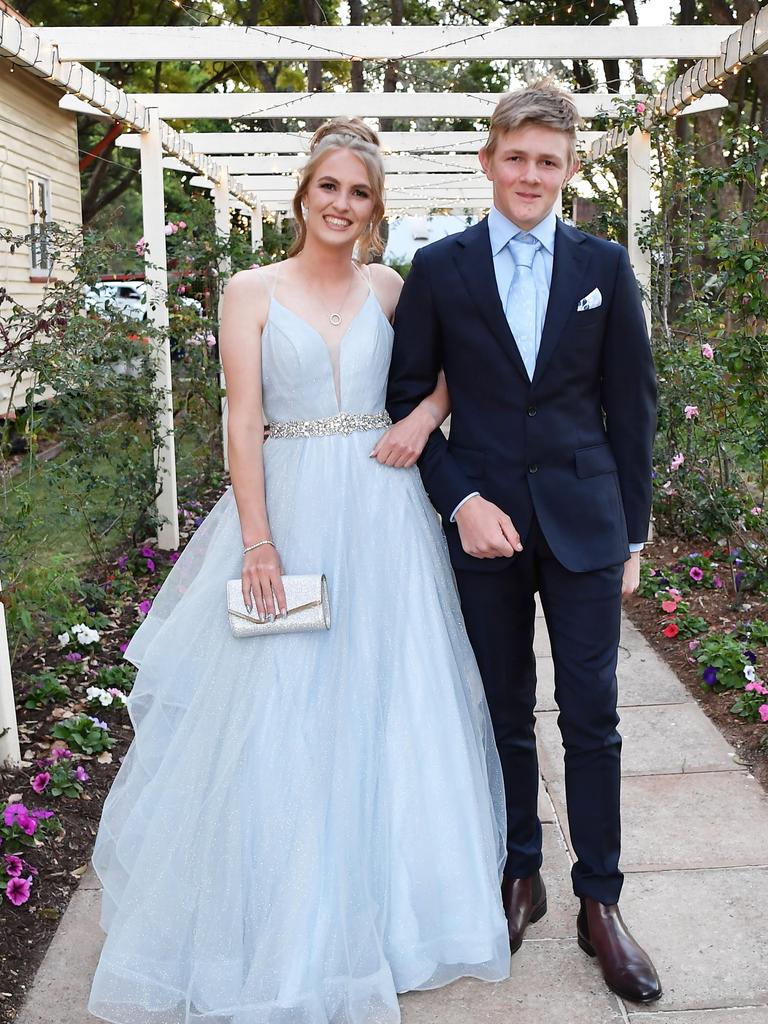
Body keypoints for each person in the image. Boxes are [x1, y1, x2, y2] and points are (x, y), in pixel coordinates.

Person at [87, 118, 510, 1024]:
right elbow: (243, 422)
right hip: (288, 508)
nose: (342, 206)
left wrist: (422, 419)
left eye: (359, 193)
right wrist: (258, 541)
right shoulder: (249, 289)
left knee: (391, 696)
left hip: (386, 509)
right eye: (330, 188)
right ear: (303, 193)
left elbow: (452, 374)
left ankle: (398, 916)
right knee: (282, 698)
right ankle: (283, 914)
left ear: (374, 207)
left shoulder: (394, 287)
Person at [387, 82, 662, 1004]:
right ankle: (520, 873)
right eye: (517, 157)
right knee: (500, 710)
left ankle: (602, 903)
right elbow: (408, 397)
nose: (531, 174)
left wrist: (633, 535)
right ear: (488, 160)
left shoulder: (605, 266)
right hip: (487, 527)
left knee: (592, 716)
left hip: (586, 527)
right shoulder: (439, 266)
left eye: (549, 161)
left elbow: (634, 408)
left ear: (569, 170)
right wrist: (458, 497)